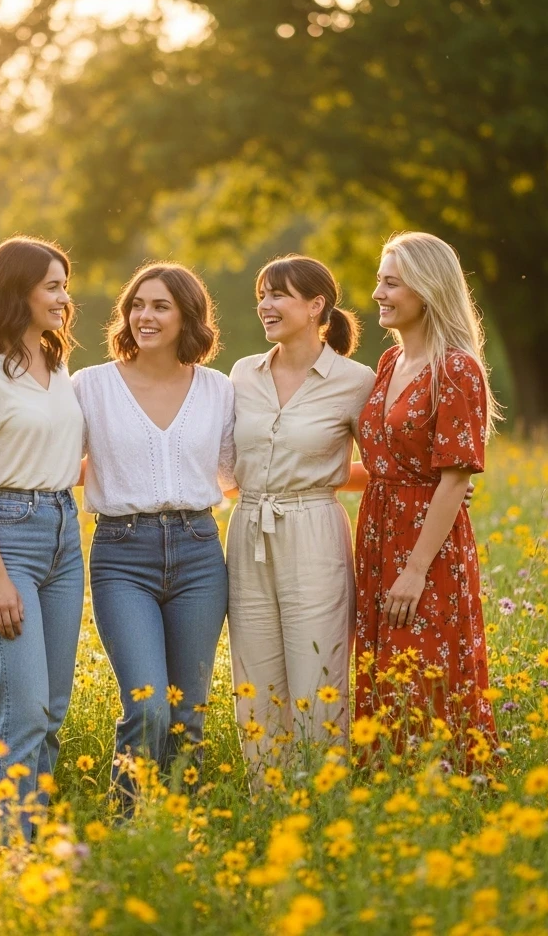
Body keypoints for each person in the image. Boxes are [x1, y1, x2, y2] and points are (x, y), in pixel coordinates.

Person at [72, 263, 234, 809]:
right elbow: (55, 461)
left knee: (189, 711)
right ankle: (128, 825)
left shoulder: (217, 389)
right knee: (148, 707)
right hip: (122, 554)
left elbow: (242, 473)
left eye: (160, 306)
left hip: (199, 553)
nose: (145, 315)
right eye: (137, 304)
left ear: (188, 314)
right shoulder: (90, 385)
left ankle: (181, 829)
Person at [0, 236, 85, 842]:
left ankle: (31, 839)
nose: (63, 297)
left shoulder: (59, 373)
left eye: (64, 285)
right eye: (51, 286)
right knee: (23, 709)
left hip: (64, 536)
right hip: (8, 542)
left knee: (51, 712)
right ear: (17, 291)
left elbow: (64, 458)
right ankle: (2, 855)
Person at [353, 231, 500, 765]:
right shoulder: (390, 364)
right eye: (379, 281)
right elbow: (384, 464)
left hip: (426, 543)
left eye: (391, 283)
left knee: (427, 666)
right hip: (378, 529)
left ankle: (451, 788)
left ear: (426, 289)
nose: (378, 294)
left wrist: (415, 568)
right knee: (383, 664)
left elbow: (455, 479)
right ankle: (388, 786)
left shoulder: (456, 368)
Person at [227, 255, 376, 770]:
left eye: (278, 295)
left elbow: (383, 465)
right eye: (262, 295)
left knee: (319, 674)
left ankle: (324, 808)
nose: (265, 306)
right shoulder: (243, 373)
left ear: (316, 306)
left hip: (314, 531)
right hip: (247, 529)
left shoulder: (356, 381)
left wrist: (446, 487)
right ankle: (268, 806)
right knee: (255, 680)